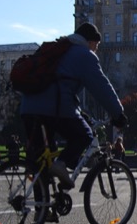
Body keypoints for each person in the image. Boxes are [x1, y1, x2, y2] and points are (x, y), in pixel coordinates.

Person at [19, 22, 126, 189]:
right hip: (52, 108)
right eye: (96, 45)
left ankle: (44, 212)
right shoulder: (84, 55)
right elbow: (101, 87)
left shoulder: (59, 49)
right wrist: (118, 114)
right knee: (85, 135)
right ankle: (62, 165)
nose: (96, 49)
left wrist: (80, 113)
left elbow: (60, 85)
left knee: (42, 163)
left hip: (28, 106)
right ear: (89, 41)